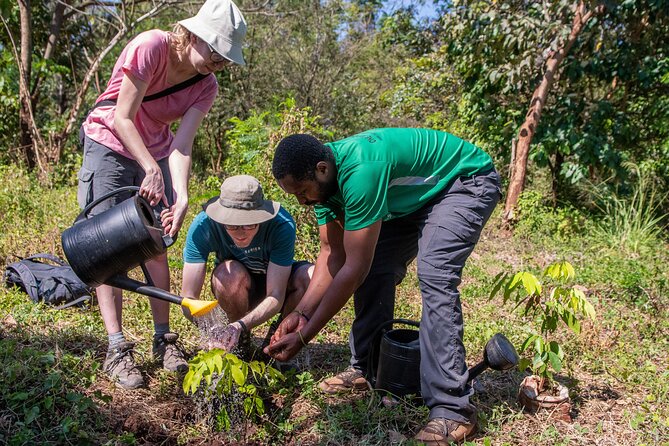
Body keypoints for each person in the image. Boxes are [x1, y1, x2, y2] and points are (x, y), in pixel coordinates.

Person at [265, 128, 501, 445]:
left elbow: (353, 269)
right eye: (294, 195)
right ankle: (365, 368)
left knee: (435, 273)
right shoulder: (322, 184)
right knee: (376, 265)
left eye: (302, 191)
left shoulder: (361, 170)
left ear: (321, 169)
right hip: (413, 200)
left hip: (463, 181)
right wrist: (301, 313)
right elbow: (333, 256)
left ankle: (453, 409)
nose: (301, 201)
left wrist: (306, 336)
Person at [77, 0, 247, 389]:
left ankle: (163, 337)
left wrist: (182, 194)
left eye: (225, 59)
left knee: (157, 241)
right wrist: (150, 168)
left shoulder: (207, 85)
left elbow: (182, 146)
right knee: (107, 245)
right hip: (109, 142)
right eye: (215, 52)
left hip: (156, 150)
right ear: (194, 34)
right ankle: (116, 346)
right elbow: (122, 117)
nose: (217, 63)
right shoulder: (151, 46)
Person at [181, 175, 314, 356]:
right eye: (232, 225)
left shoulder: (281, 224)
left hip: (276, 285)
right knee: (228, 275)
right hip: (237, 288)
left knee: (310, 276)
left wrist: (239, 325)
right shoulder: (203, 226)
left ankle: (276, 341)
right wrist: (214, 328)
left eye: (250, 224)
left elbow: (275, 295)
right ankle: (239, 342)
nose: (241, 233)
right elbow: (188, 298)